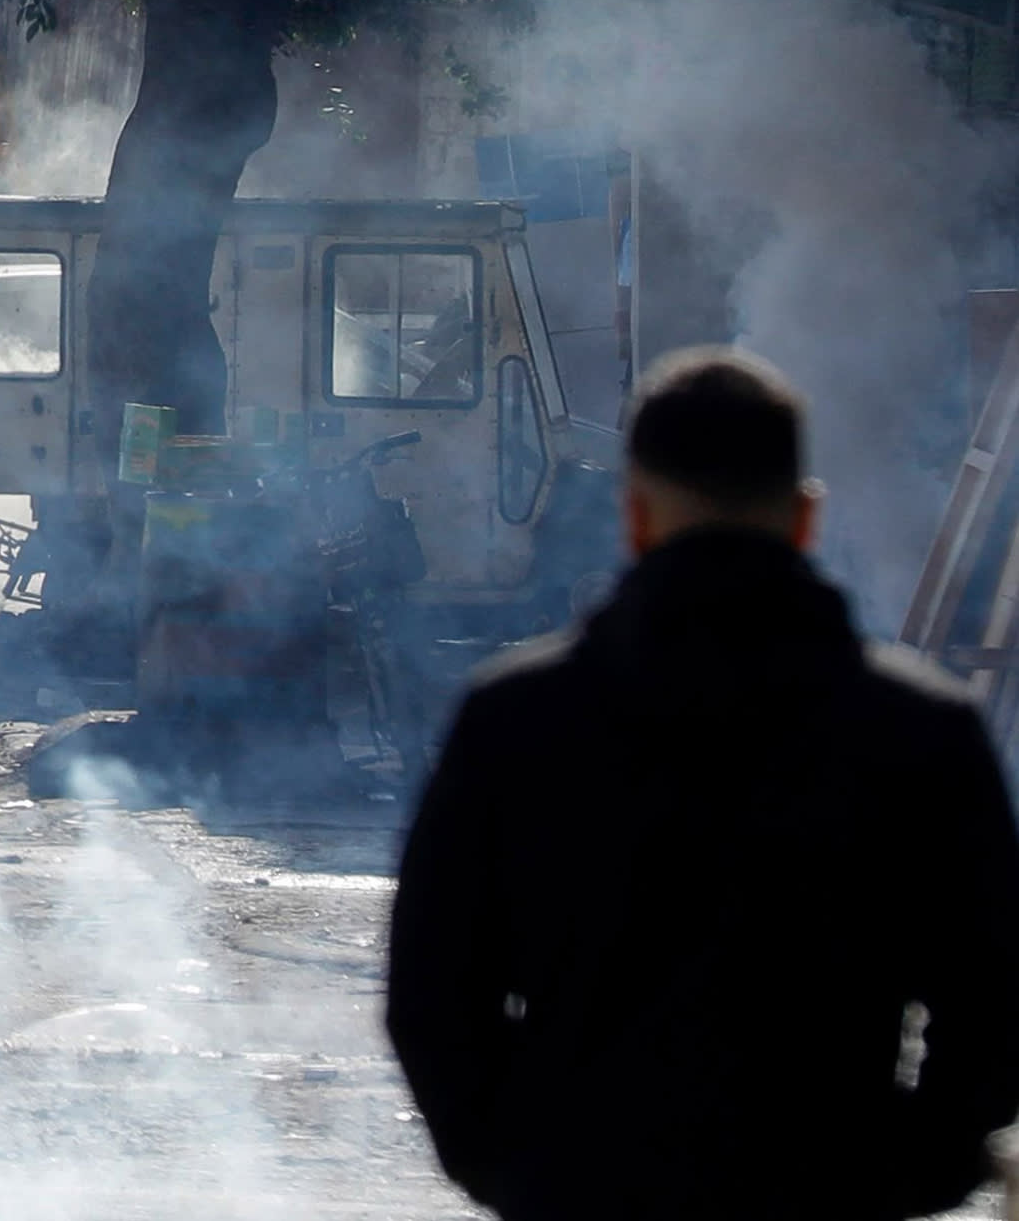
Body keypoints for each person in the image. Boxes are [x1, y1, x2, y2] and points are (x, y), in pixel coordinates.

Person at [386, 346, 1019, 1220]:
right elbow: (993, 1004)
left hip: (584, 1188)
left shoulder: (515, 719)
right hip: (828, 1192)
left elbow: (433, 997)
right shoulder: (921, 730)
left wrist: (517, 1169)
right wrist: (912, 1169)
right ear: (806, 518)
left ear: (634, 518)